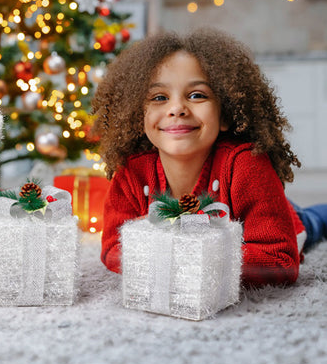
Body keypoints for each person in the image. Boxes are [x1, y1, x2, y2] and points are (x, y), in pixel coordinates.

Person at [92, 28, 327, 286]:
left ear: (225, 114)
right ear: (140, 117)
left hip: (281, 217)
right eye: (159, 97)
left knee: (315, 221)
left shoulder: (247, 165)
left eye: (197, 95)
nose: (177, 109)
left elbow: (280, 261)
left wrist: (190, 257)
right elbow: (112, 247)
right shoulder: (131, 172)